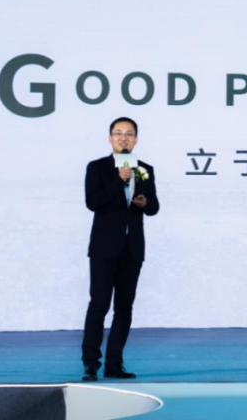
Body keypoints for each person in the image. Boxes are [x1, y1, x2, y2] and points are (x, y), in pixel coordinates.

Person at [81, 117, 160, 381]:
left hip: (132, 249)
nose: (123, 137)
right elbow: (93, 202)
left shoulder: (145, 169)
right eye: (118, 133)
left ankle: (114, 364)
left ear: (136, 139)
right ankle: (90, 363)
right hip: (104, 248)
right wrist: (118, 181)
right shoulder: (97, 167)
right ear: (110, 138)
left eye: (128, 133)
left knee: (124, 309)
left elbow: (154, 207)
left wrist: (144, 202)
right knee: (99, 306)